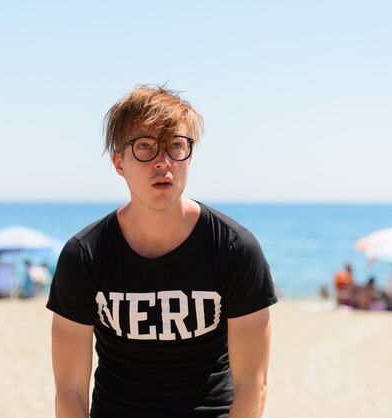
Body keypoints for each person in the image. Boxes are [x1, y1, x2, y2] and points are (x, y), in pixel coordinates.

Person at [46, 85, 277, 418]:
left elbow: (252, 384)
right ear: (118, 162)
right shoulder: (85, 255)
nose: (163, 162)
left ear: (190, 156)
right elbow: (70, 390)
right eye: (145, 147)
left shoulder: (234, 249)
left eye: (176, 147)